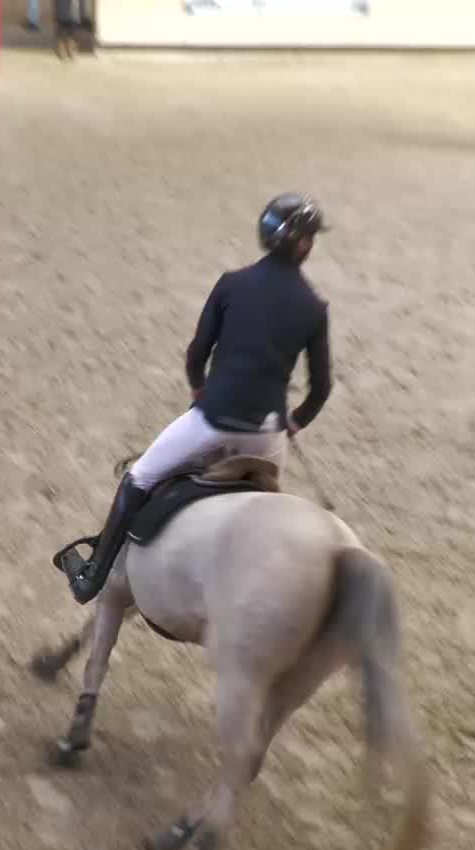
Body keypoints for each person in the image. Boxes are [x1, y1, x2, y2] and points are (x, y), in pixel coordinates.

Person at [54, 193, 335, 605]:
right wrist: (294, 421)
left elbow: (197, 354)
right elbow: (321, 388)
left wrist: (199, 387)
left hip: (213, 422)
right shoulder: (314, 307)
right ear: (304, 245)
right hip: (266, 439)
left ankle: (91, 577)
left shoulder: (232, 284)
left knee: (140, 478)